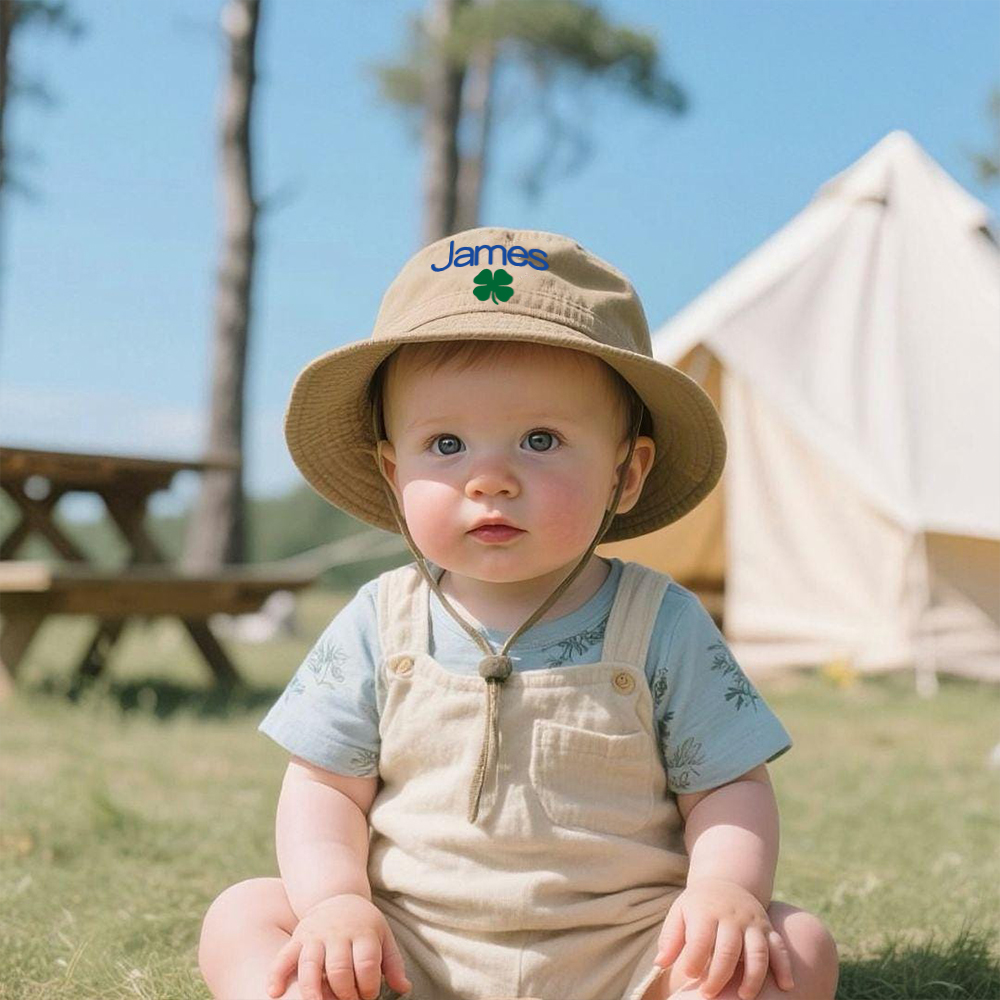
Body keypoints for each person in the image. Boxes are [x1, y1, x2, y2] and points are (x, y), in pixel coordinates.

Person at [198, 227, 840, 1000]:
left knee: (796, 942)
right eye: (446, 444)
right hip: (406, 948)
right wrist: (337, 902)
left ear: (625, 474)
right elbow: (325, 787)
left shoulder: (662, 622)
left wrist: (724, 889)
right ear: (394, 473)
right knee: (245, 914)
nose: (490, 479)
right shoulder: (379, 619)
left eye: (540, 439)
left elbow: (728, 786)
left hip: (630, 948)